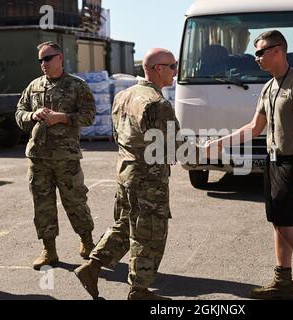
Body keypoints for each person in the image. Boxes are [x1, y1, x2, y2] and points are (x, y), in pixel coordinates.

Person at [207, 30, 293, 300]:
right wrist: (221, 142)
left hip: (292, 164)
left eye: (260, 52)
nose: (256, 57)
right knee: (278, 224)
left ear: (278, 51)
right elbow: (255, 127)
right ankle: (283, 282)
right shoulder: (269, 86)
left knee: (288, 225)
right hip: (273, 163)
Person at [74, 48, 184, 300]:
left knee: (124, 224)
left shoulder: (123, 95)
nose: (175, 71)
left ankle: (92, 266)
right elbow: (175, 148)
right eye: (172, 66)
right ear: (158, 69)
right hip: (148, 178)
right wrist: (212, 151)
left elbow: (118, 136)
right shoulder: (157, 104)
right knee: (150, 233)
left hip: (125, 172)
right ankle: (139, 290)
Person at [15, 41, 96, 271]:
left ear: (60, 58)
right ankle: (49, 250)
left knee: (76, 201)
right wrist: (32, 115)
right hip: (38, 158)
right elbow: (19, 114)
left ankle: (87, 243)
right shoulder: (34, 86)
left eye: (47, 58)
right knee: (43, 205)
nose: (43, 64)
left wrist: (62, 117)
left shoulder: (77, 86)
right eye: (40, 60)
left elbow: (89, 116)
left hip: (66, 158)